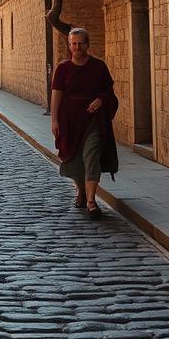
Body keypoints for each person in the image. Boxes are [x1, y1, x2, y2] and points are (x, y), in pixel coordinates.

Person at [50, 27, 119, 220]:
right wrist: (54, 120)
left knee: (91, 157)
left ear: (87, 44)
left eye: (80, 43)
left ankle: (91, 201)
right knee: (74, 159)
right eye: (73, 44)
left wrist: (101, 99)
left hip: (93, 121)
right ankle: (80, 191)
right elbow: (56, 95)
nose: (77, 47)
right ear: (69, 45)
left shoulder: (99, 66)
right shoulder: (63, 69)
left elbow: (108, 90)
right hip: (70, 121)